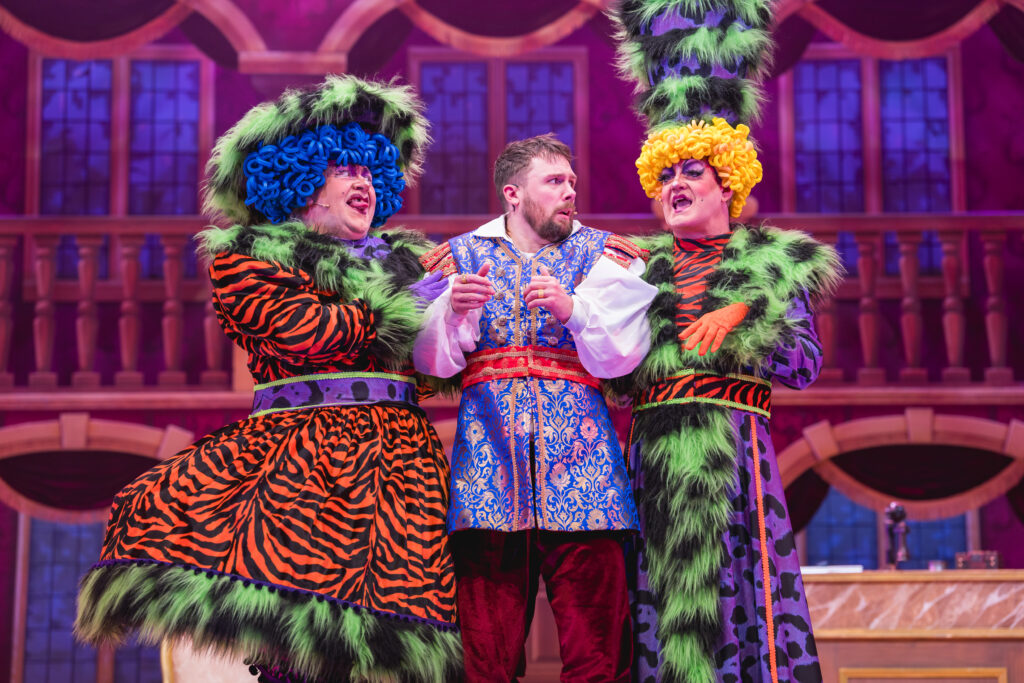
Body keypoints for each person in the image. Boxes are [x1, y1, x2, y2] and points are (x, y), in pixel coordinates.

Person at [75, 75, 461, 683]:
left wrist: (454, 313)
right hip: (305, 458)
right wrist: (399, 305)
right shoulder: (248, 257)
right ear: (303, 181)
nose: (363, 182)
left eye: (370, 170)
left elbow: (435, 365)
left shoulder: (403, 261)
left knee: (389, 648)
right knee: (298, 642)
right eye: (344, 169)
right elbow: (306, 330)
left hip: (402, 463)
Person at [607, 2, 844, 682]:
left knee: (738, 610)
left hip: (736, 460)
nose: (675, 185)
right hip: (655, 461)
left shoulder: (771, 263)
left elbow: (803, 364)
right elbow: (614, 378)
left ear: (728, 183)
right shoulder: (637, 266)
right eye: (666, 175)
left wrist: (744, 313)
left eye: (692, 172)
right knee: (662, 616)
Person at [415, 133, 657, 682]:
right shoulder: (460, 259)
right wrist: (451, 312)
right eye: (554, 181)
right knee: (485, 654)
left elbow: (623, 356)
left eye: (572, 181)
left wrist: (573, 311)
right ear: (513, 193)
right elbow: (431, 364)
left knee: (597, 651)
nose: (570, 191)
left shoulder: (605, 256)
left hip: (586, 472)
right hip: (488, 471)